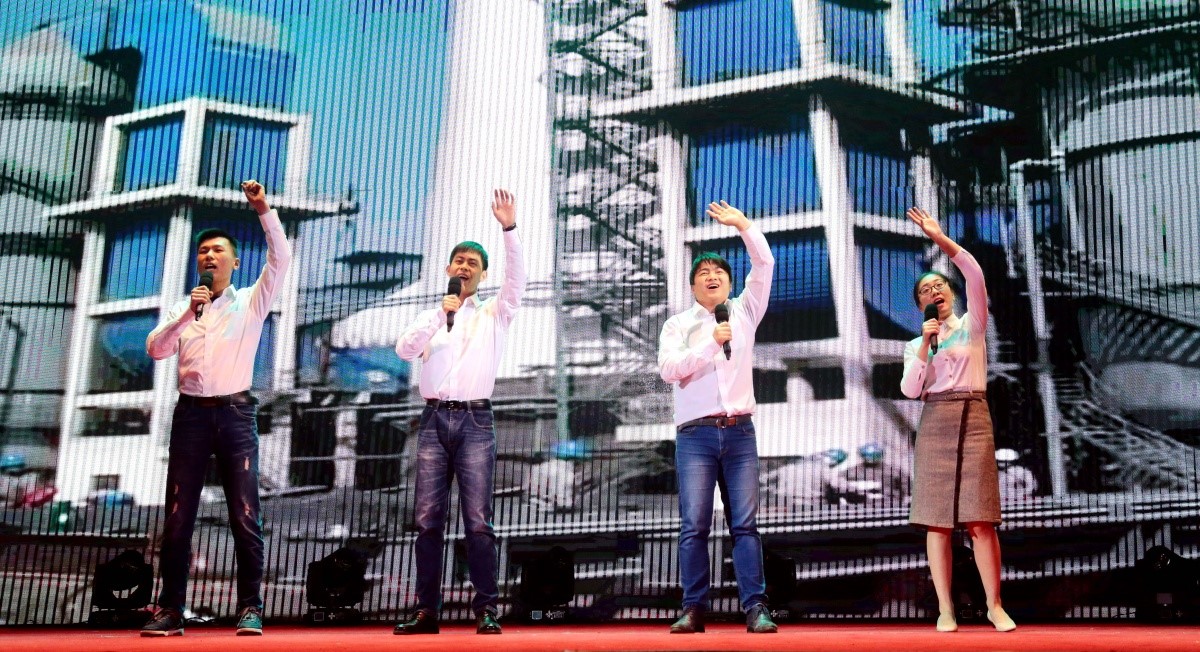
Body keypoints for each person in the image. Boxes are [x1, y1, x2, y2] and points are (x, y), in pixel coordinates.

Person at [141, 180, 289, 637]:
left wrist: (262, 208)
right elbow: (156, 349)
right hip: (190, 415)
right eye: (203, 251)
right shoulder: (182, 307)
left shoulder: (252, 301)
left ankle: (250, 607)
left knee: (244, 512)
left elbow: (281, 258)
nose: (209, 256)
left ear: (234, 262)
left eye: (218, 250)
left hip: (235, 414)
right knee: (178, 514)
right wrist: (188, 312)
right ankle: (171, 609)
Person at [392, 189, 522, 636]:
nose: (464, 267)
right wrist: (439, 315)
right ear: (448, 269)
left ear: (483, 274)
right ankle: (427, 611)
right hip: (432, 421)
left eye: (473, 263)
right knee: (427, 520)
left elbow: (517, 279)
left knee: (478, 521)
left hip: (475, 422)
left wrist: (509, 229)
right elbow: (404, 350)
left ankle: (486, 609)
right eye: (459, 261)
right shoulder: (430, 316)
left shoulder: (496, 312)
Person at [658, 201, 777, 634]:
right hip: (696, 436)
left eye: (720, 273)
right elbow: (670, 370)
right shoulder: (677, 325)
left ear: (728, 282)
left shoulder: (744, 311)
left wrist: (743, 225)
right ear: (693, 286)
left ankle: (756, 607)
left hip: (740, 432)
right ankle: (693, 608)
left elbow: (764, 264)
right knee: (694, 525)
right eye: (704, 273)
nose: (712, 277)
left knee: (745, 524)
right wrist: (711, 342)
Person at [899, 206, 1016, 633]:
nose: (935, 291)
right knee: (937, 522)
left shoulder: (973, 326)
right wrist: (925, 347)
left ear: (951, 292)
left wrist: (940, 239)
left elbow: (975, 274)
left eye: (940, 285)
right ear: (921, 305)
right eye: (926, 290)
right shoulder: (915, 345)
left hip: (974, 414)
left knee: (980, 520)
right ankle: (945, 609)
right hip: (935, 420)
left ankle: (994, 605)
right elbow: (910, 390)